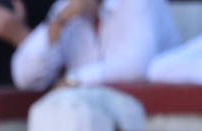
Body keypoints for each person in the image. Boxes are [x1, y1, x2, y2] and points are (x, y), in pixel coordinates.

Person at [10, 0, 178, 90]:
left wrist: (75, 80)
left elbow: (138, 65)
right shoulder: (65, 8)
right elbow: (25, 77)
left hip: (148, 121)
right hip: (88, 127)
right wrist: (59, 21)